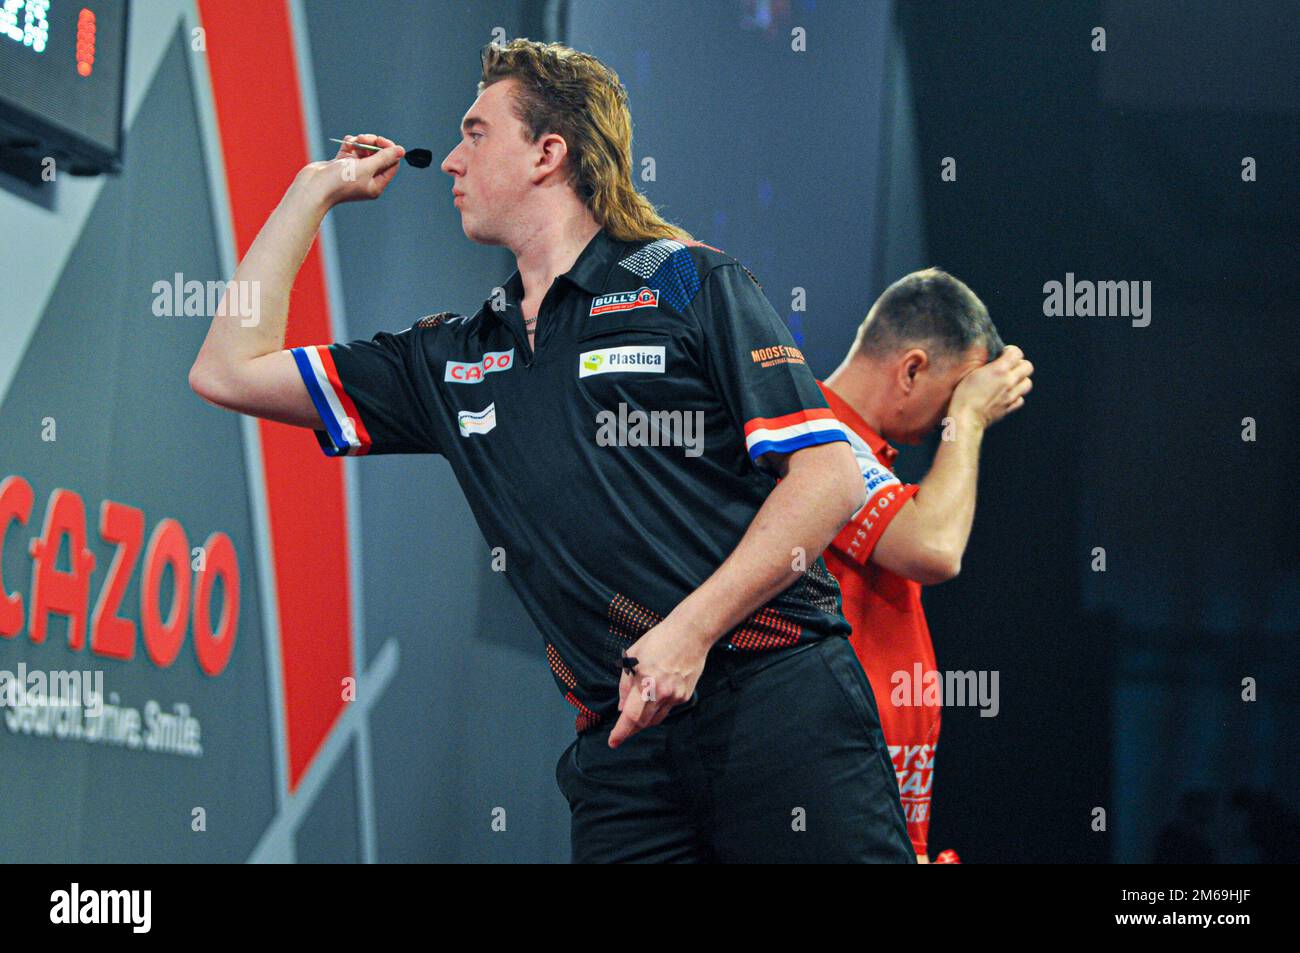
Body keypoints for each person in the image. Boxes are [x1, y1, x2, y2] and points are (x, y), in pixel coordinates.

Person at [188, 38, 912, 863]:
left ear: (547, 153)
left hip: (778, 702)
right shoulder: (451, 358)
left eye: (476, 132)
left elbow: (829, 475)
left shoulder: (683, 281)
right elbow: (227, 369)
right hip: (624, 748)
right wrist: (309, 192)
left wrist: (690, 632)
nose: (451, 159)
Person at [818, 269, 1033, 861]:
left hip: (876, 818)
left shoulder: (868, 453)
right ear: (911, 369)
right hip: (831, 802)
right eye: (956, 392)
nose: (949, 420)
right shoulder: (814, 434)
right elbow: (935, 548)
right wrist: (969, 420)